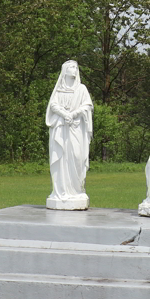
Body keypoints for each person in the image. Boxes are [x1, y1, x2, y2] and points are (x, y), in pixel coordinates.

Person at [46, 60, 93, 209]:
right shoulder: (59, 90)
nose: (75, 70)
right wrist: (64, 114)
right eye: (72, 67)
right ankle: (61, 190)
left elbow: (87, 105)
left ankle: (77, 190)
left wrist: (73, 114)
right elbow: (53, 105)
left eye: (76, 67)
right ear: (65, 70)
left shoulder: (81, 89)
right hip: (61, 128)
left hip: (76, 128)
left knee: (77, 157)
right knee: (61, 158)